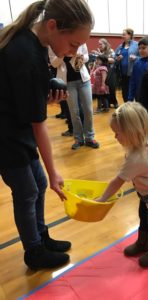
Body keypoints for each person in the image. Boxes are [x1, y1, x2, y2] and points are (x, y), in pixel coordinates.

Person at [0, 0, 94, 270]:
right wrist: (55, 173)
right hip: (6, 136)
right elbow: (38, 124)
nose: (74, 51)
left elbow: (28, 97)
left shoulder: (38, 44)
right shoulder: (25, 53)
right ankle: (34, 252)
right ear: (52, 26)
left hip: (17, 127)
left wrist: (45, 96)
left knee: (37, 184)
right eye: (74, 44)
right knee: (28, 190)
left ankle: (42, 237)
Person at [96, 102, 148, 268]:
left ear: (132, 133)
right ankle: (143, 243)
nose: (115, 137)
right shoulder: (144, 141)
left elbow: (117, 181)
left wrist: (102, 199)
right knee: (143, 217)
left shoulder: (137, 157)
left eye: (117, 133)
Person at [64, 44, 100, 150]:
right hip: (68, 82)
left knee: (88, 110)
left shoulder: (79, 40)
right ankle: (78, 139)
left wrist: (80, 56)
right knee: (74, 112)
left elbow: (87, 57)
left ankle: (89, 137)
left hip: (84, 80)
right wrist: (64, 54)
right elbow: (54, 62)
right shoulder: (59, 42)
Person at [91, 38, 118, 108]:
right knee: (104, 88)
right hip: (102, 72)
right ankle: (107, 103)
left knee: (111, 88)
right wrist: (93, 70)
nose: (99, 45)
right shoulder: (100, 52)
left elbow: (112, 60)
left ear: (105, 44)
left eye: (101, 44)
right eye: (98, 44)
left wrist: (100, 55)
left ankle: (114, 102)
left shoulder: (110, 51)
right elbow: (96, 62)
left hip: (110, 71)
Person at [114, 28, 139, 102]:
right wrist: (117, 58)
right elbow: (114, 56)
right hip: (122, 74)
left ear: (130, 35)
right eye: (122, 35)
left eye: (124, 34)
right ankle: (127, 109)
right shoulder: (120, 46)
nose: (122, 36)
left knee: (135, 92)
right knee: (125, 93)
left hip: (133, 73)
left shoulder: (136, 45)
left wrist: (136, 58)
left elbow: (142, 57)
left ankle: (136, 109)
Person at [128, 36, 148, 101]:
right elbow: (133, 82)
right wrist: (130, 98)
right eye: (139, 48)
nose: (141, 50)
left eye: (143, 48)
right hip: (139, 96)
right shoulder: (137, 63)